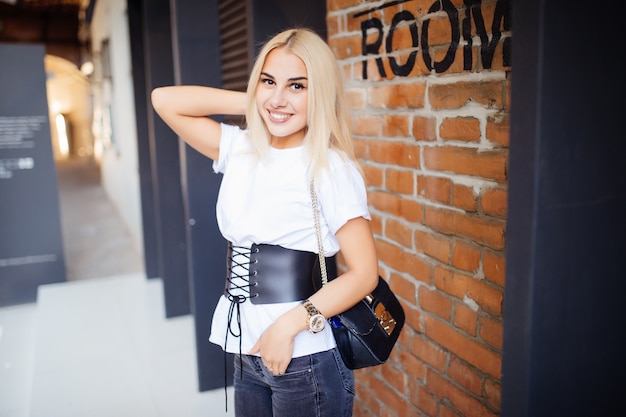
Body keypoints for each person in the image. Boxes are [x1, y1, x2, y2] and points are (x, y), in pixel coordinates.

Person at [151, 28, 379, 417]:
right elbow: (165, 100)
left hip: (303, 354)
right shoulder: (241, 147)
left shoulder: (329, 166)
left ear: (320, 93)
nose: (279, 98)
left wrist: (287, 326)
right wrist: (260, 100)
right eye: (269, 81)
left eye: (297, 86)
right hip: (245, 347)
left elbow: (363, 274)